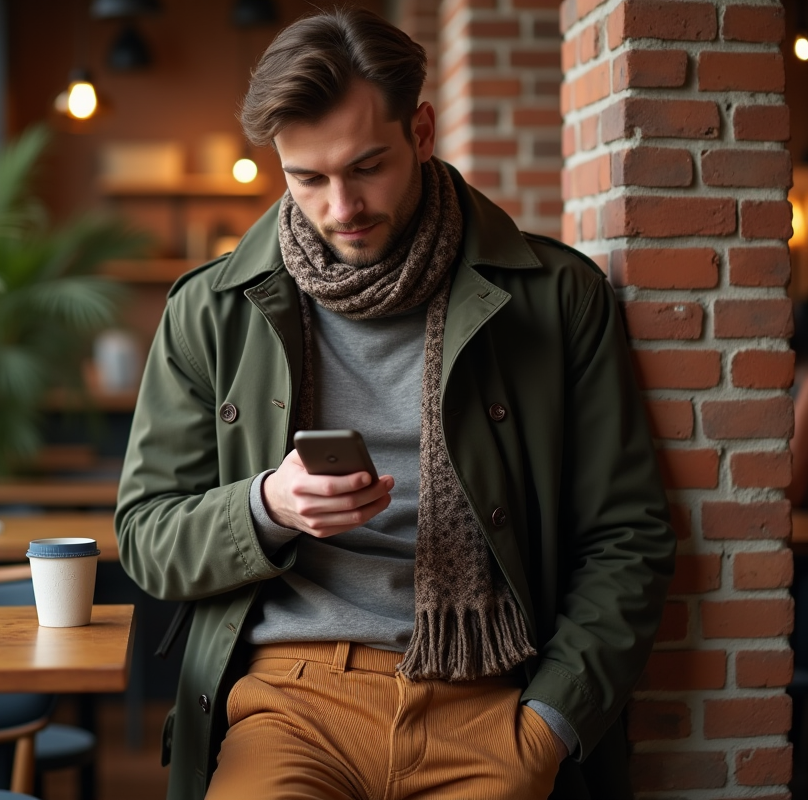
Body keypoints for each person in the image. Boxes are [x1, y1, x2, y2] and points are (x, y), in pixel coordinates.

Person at [114, 8, 675, 800]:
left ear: (421, 130)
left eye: (365, 166)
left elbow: (629, 538)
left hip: (490, 698)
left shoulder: (556, 298)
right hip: (289, 697)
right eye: (307, 178)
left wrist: (550, 723)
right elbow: (146, 536)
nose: (340, 205)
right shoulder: (212, 310)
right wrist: (268, 505)